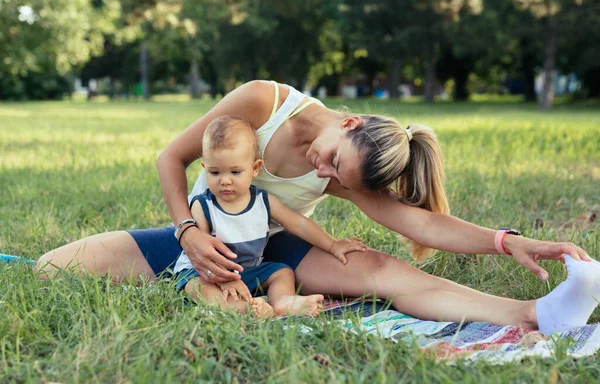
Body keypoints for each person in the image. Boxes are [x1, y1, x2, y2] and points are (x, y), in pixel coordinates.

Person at [35, 80, 600, 335]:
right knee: (53, 269)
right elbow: (171, 158)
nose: (323, 174)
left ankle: (534, 314)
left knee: (380, 269)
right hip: (203, 236)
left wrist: (509, 240)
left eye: (335, 178)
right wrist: (186, 231)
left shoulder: (347, 169)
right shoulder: (264, 103)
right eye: (329, 160)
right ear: (348, 122)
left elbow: (421, 222)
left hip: (278, 245)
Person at [174, 115, 366, 318]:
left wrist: (333, 245)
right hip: (205, 273)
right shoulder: (203, 206)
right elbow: (202, 254)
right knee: (198, 288)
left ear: (255, 168)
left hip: (247, 270)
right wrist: (224, 280)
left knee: (282, 272)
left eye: (236, 172)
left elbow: (298, 224)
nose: (225, 181)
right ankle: (243, 310)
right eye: (215, 173)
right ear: (205, 168)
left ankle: (283, 301)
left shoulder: (263, 201)